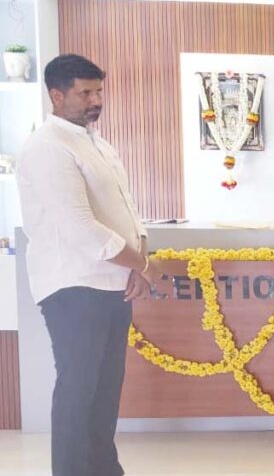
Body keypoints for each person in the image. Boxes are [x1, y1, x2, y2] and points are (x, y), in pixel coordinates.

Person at [16, 54, 166, 476]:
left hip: (112, 284)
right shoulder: (48, 147)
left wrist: (137, 264)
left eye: (98, 91)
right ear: (56, 95)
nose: (96, 100)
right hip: (74, 286)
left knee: (104, 394)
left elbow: (127, 210)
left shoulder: (98, 143)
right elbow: (80, 227)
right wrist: (144, 266)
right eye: (85, 93)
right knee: (79, 392)